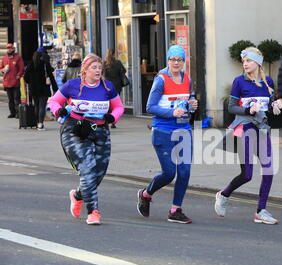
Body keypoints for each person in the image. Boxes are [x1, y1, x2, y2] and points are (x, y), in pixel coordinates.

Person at [47, 54, 124, 225]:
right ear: (85, 70)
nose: (98, 71)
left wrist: (113, 118)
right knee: (87, 168)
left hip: (99, 130)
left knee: (99, 173)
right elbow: (54, 101)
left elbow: (118, 107)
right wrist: (58, 111)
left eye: (100, 68)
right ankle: (93, 211)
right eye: (94, 68)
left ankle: (77, 195)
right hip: (75, 129)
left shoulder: (107, 87)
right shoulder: (73, 85)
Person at [214, 47, 282, 225]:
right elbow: (231, 107)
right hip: (244, 129)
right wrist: (247, 109)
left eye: (249, 61)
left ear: (258, 63)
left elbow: (268, 103)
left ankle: (261, 211)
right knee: (247, 174)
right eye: (244, 61)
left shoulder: (268, 81)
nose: (245, 64)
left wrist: (276, 104)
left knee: (268, 169)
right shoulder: (239, 81)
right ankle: (223, 194)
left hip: (262, 129)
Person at [136, 45, 198, 224]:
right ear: (168, 60)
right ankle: (146, 194)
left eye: (179, 60)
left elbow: (189, 99)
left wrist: (192, 105)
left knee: (185, 172)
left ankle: (175, 209)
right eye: (173, 59)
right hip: (163, 131)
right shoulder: (161, 80)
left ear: (183, 61)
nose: (176, 63)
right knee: (169, 173)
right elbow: (150, 107)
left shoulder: (187, 79)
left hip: (183, 130)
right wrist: (172, 113)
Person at [24, 47, 58, 130]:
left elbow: (26, 77)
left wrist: (31, 83)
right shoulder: (45, 64)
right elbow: (51, 76)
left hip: (33, 89)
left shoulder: (30, 64)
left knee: (36, 105)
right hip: (44, 88)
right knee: (42, 106)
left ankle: (37, 123)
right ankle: (40, 123)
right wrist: (55, 88)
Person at [104, 49, 127, 129]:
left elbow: (103, 74)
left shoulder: (105, 63)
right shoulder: (118, 62)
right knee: (115, 104)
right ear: (114, 54)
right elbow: (124, 70)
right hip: (117, 85)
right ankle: (113, 122)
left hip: (107, 86)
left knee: (108, 103)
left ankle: (107, 119)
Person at [1, 43, 25, 119]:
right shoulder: (4, 58)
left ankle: (18, 113)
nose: (9, 49)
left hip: (15, 82)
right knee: (10, 99)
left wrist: (18, 75)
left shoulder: (18, 58)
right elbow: (1, 68)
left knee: (17, 98)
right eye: (8, 48)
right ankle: (12, 113)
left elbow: (21, 68)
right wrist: (3, 70)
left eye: (10, 48)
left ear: (13, 49)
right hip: (7, 82)